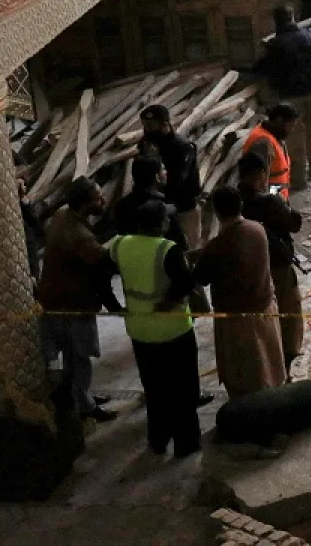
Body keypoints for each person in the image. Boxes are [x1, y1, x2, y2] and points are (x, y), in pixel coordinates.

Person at [105, 199, 201, 457]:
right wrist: (169, 302)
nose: (169, 222)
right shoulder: (167, 249)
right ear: (161, 225)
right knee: (184, 389)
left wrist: (113, 304)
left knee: (155, 389)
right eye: (166, 219)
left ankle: (158, 440)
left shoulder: (120, 244)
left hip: (139, 330)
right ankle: (186, 444)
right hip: (174, 331)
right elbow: (186, 283)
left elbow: (97, 274)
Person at [37, 177, 119, 422]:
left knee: (72, 356)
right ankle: (84, 405)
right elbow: (102, 262)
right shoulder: (80, 236)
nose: (103, 199)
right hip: (73, 304)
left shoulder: (62, 216)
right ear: (84, 204)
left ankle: (80, 395)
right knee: (80, 357)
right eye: (97, 197)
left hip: (54, 299)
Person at [193, 186, 285, 399]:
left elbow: (200, 278)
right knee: (270, 361)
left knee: (246, 372)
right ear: (240, 205)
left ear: (216, 212)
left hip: (237, 318)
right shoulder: (257, 229)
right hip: (265, 307)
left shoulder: (219, 245)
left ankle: (253, 409)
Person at [236, 152, 303, 369]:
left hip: (248, 267)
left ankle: (266, 355)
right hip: (277, 264)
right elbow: (294, 224)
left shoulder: (235, 200)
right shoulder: (270, 202)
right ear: (261, 174)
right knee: (288, 310)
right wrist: (284, 204)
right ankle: (289, 356)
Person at [255, 5, 311, 188]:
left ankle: (298, 179)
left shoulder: (277, 44)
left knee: (294, 137)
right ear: (293, 16)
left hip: (290, 96)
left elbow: (266, 69)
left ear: (276, 21)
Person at [139, 105, 203, 245]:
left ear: (165, 125)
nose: (147, 131)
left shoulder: (183, 147)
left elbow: (177, 181)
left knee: (189, 246)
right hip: (158, 210)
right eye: (144, 126)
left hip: (183, 208)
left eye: (150, 126)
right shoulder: (147, 144)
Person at [242, 103, 296, 205]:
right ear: (279, 121)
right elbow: (259, 183)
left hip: (278, 197)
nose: (291, 130)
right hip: (271, 202)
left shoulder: (274, 135)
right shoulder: (263, 143)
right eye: (290, 126)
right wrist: (271, 206)